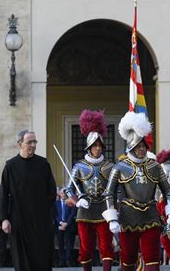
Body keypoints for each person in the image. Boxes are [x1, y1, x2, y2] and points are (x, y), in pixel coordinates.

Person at [102, 111, 170, 271]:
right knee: (128, 259)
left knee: (152, 258)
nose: (142, 149)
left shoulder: (155, 166)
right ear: (131, 147)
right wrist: (112, 218)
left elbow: (167, 191)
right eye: (138, 146)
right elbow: (109, 193)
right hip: (127, 217)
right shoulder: (119, 167)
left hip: (151, 215)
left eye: (143, 146)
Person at [63, 109, 115, 270]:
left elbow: (116, 190)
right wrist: (77, 201)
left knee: (106, 247)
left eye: (99, 145)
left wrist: (115, 209)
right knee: (86, 248)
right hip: (84, 212)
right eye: (94, 146)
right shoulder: (79, 166)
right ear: (89, 147)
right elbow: (68, 189)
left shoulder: (110, 166)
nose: (97, 148)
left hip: (104, 210)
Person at [0, 130, 56, 271]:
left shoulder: (43, 164)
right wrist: (4, 219)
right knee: (21, 260)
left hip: (40, 221)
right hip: (18, 221)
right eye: (29, 142)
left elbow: (52, 191)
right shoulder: (10, 166)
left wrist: (41, 208)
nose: (33, 145)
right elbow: (4, 194)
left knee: (41, 259)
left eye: (35, 142)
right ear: (20, 144)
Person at [54, 188, 77, 267]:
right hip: (59, 226)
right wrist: (61, 223)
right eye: (62, 193)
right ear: (59, 194)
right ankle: (61, 261)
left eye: (65, 193)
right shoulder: (56, 203)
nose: (63, 195)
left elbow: (73, 213)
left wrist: (66, 223)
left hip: (69, 226)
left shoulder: (71, 202)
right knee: (60, 244)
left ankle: (69, 261)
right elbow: (55, 215)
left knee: (69, 245)